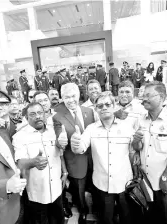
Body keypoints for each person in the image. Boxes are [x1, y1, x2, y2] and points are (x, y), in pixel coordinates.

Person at [71, 91, 136, 224]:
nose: (104, 108)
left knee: (127, 218)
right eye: (100, 106)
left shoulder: (127, 127)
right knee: (106, 219)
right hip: (101, 184)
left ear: (114, 106)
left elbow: (135, 150)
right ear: (96, 109)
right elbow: (80, 148)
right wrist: (75, 143)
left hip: (124, 182)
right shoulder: (91, 129)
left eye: (107, 104)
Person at [132, 81, 167, 224]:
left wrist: (165, 178)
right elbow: (138, 148)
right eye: (143, 95)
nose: (144, 99)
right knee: (150, 218)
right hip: (146, 182)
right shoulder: (140, 120)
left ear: (161, 97)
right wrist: (136, 142)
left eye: (149, 95)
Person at [13, 102, 65, 224]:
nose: (38, 116)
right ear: (26, 118)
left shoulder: (53, 132)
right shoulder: (19, 136)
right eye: (33, 114)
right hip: (37, 194)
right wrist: (33, 161)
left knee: (58, 220)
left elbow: (60, 154)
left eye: (40, 113)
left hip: (56, 189)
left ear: (45, 114)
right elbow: (20, 163)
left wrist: (65, 172)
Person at [52, 83, 96, 224]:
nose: (70, 100)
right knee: (79, 192)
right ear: (61, 98)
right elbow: (60, 137)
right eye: (66, 97)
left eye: (73, 96)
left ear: (79, 95)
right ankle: (83, 213)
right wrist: (61, 140)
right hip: (75, 162)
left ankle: (95, 209)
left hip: (94, 159)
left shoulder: (88, 111)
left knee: (95, 187)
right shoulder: (58, 116)